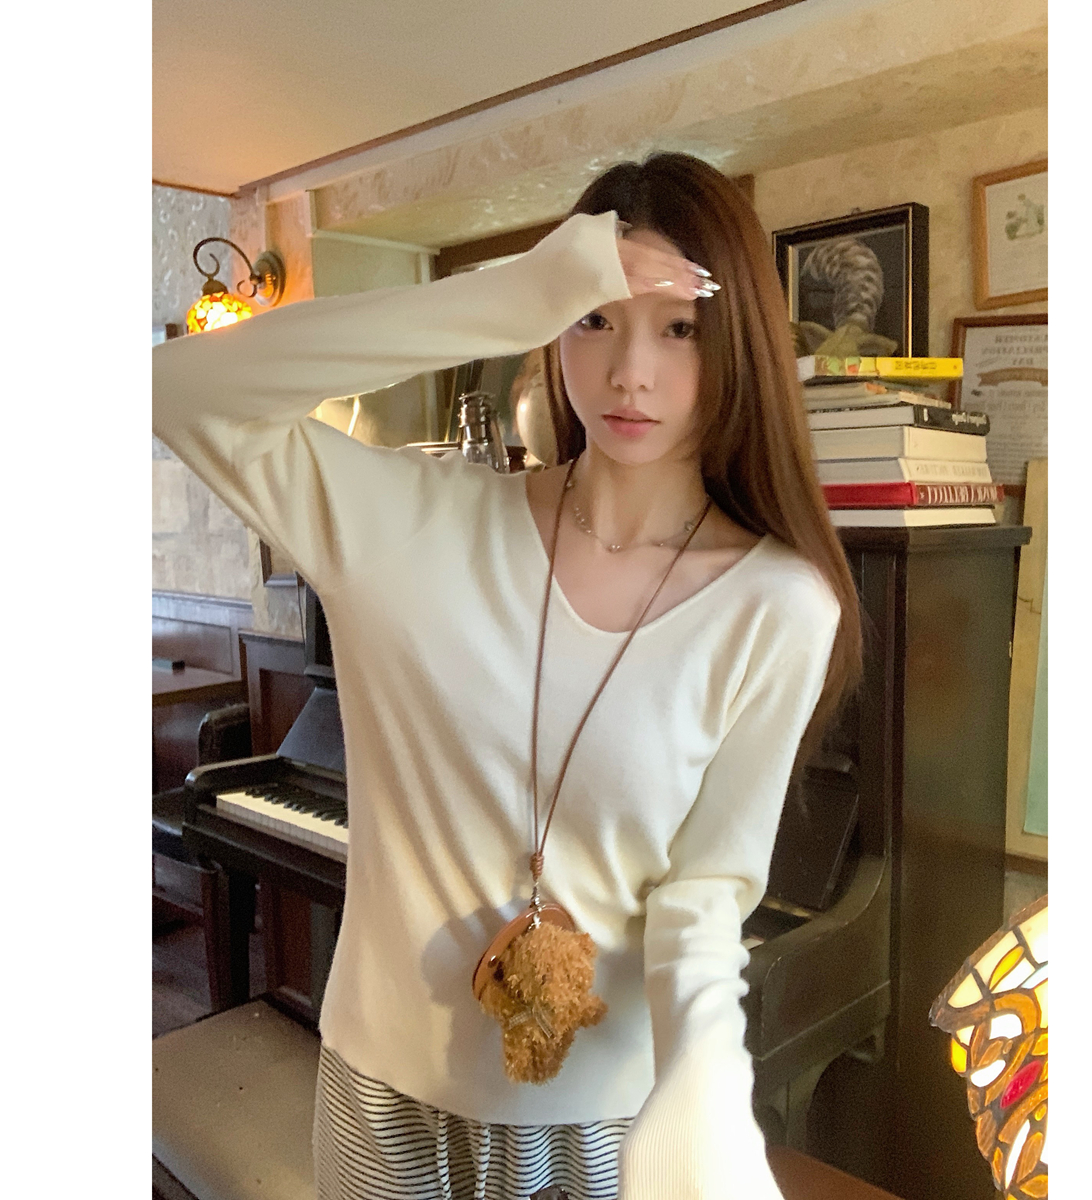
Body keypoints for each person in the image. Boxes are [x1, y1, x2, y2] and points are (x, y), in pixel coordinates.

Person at [153, 151, 862, 1200]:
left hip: (603, 1121)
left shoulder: (780, 605)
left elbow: (706, 891)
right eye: (595, 319)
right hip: (382, 1099)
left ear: (737, 344)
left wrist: (708, 1079)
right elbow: (176, 386)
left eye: (678, 329)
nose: (631, 373)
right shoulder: (410, 523)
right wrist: (515, 293)